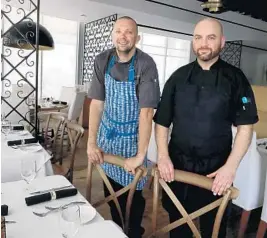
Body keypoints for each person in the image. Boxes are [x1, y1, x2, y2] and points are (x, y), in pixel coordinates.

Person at [153, 18, 259, 238]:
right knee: (178, 226)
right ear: (193, 41)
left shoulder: (236, 79)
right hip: (178, 168)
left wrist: (230, 168)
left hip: (216, 172)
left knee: (214, 228)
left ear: (222, 42)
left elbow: (245, 128)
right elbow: (162, 121)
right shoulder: (177, 77)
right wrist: (163, 157)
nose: (203, 43)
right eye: (198, 37)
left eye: (211, 38)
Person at [87, 16, 160, 238]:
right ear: (113, 35)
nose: (123, 36)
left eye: (129, 32)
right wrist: (91, 142)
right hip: (107, 139)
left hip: (132, 141)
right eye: (119, 31)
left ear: (137, 37)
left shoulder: (145, 64)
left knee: (132, 199)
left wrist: (141, 155)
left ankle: (132, 232)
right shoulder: (103, 60)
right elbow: (97, 104)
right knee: (110, 191)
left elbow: (146, 112)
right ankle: (117, 230)